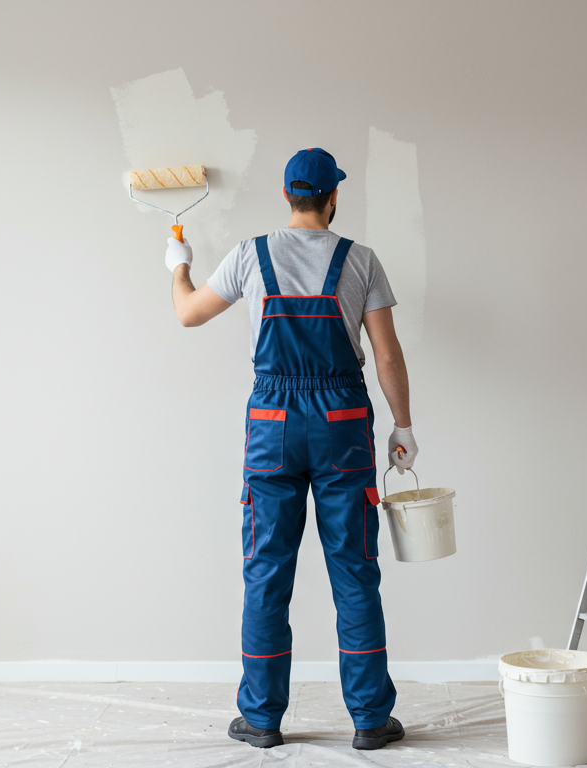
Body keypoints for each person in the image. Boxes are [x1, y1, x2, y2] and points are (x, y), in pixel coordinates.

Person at [164, 148, 416, 751]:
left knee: (266, 570)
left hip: (272, 422)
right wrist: (403, 426)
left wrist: (178, 265)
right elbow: (385, 353)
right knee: (354, 571)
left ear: (286, 197)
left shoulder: (251, 255)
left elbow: (188, 314)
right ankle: (369, 719)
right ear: (333, 198)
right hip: (342, 423)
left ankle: (261, 718)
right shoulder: (362, 260)